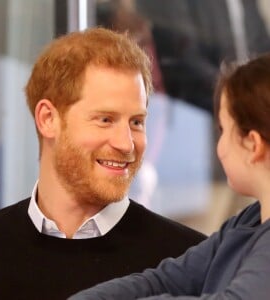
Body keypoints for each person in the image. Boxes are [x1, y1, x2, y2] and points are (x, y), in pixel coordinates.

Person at [0, 28, 205, 299]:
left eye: (136, 122)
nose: (126, 144)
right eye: (105, 119)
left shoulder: (193, 265)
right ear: (48, 119)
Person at [69, 52, 270, 300]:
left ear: (252, 145)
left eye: (223, 130)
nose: (220, 147)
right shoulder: (247, 221)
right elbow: (168, 279)